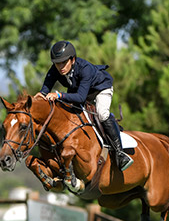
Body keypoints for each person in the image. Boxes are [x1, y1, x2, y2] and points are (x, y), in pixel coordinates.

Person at [35, 40, 133, 171]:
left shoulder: (85, 69)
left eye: (64, 62)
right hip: (80, 91)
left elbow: (80, 98)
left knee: (102, 113)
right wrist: (42, 94)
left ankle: (120, 154)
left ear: (73, 59)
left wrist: (58, 95)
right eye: (57, 63)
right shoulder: (56, 69)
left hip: (100, 89)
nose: (61, 67)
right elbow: (47, 85)